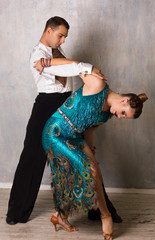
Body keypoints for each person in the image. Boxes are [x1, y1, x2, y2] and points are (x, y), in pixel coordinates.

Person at [6, 16, 121, 225]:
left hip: (66, 105)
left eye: (65, 37)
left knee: (84, 156)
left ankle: (99, 210)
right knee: (32, 158)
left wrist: (85, 68)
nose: (63, 41)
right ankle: (16, 213)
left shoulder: (57, 53)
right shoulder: (38, 55)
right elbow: (63, 69)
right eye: (60, 36)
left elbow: (68, 67)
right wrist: (88, 67)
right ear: (48, 31)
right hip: (46, 105)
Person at [37, 58, 148, 239]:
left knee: (96, 169)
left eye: (123, 117)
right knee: (89, 169)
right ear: (125, 100)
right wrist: (47, 62)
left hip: (74, 136)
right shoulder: (97, 83)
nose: (120, 117)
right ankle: (106, 216)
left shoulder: (107, 114)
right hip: (55, 132)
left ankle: (61, 216)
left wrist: (91, 151)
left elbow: (88, 129)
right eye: (123, 113)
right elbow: (74, 66)